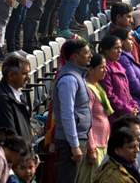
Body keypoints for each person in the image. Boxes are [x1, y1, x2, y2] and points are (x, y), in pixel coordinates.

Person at [53, 39, 92, 183]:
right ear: (75, 57)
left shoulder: (78, 75)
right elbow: (67, 114)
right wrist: (74, 146)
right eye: (86, 53)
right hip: (69, 142)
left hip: (80, 137)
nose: (90, 55)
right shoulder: (69, 79)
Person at [77, 54, 113, 183]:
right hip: (94, 145)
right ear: (91, 69)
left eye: (105, 67)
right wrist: (91, 147)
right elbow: (87, 120)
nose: (105, 70)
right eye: (101, 67)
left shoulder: (97, 87)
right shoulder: (88, 90)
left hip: (103, 142)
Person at [0, 54, 33, 144]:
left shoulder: (17, 94)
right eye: (24, 74)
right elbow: (9, 136)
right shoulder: (2, 99)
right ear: (11, 75)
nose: (28, 78)